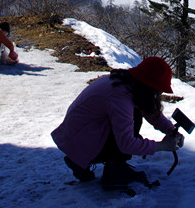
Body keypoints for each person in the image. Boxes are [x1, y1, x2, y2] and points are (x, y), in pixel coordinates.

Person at [51, 57, 183, 188]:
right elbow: (126, 144)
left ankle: (80, 160)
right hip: (78, 141)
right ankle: (115, 171)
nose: (157, 94)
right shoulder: (120, 97)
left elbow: (148, 109)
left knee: (133, 115)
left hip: (75, 138)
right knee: (134, 118)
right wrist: (162, 146)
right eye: (157, 90)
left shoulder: (125, 83)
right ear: (148, 87)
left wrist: (170, 129)